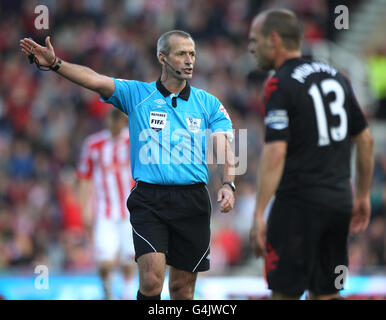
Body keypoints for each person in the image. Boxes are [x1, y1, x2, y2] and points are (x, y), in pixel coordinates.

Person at [20, 30, 235, 300]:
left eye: (192, 54)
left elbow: (225, 143)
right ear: (162, 57)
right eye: (181, 53)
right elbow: (96, 80)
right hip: (149, 199)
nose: (189, 60)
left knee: (182, 289)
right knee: (151, 280)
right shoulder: (138, 94)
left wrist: (228, 182)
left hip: (192, 200)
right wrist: (55, 64)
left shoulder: (208, 103)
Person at [248, 9, 374, 300]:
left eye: (256, 40)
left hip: (298, 204)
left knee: (285, 293)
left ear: (274, 40)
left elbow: (276, 150)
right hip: (339, 202)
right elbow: (365, 140)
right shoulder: (336, 76)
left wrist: (259, 213)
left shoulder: (279, 82)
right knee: (327, 293)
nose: (252, 48)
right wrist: (363, 196)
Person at [77, 108, 136, 300]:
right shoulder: (94, 144)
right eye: (112, 120)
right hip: (104, 211)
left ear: (124, 121)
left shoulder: (133, 140)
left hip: (130, 212)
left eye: (119, 120)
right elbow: (85, 178)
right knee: (104, 262)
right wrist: (85, 208)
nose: (115, 125)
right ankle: (108, 292)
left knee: (130, 259)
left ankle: (127, 294)